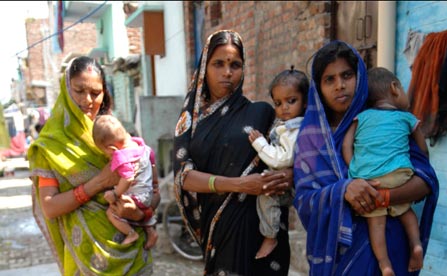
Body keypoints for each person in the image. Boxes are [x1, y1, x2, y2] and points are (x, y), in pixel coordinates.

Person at [293, 41, 439, 275]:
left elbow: (424, 179)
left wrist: (382, 197)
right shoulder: (311, 139)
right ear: (318, 88)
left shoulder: (385, 123)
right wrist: (343, 191)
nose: (339, 86)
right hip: (341, 259)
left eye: (347, 75)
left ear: (359, 76)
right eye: (329, 80)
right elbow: (304, 200)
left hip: (392, 249)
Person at [173, 30, 293, 275]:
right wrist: (238, 185)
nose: (227, 73)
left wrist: (289, 176)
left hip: (257, 227)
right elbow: (183, 177)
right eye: (218, 64)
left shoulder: (261, 113)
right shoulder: (191, 122)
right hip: (217, 227)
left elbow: (288, 157)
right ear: (205, 67)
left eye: (235, 65)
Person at [27, 56, 158, 275]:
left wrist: (138, 213)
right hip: (86, 259)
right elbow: (50, 207)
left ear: (104, 93)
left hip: (134, 254)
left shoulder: (115, 134)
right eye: (79, 90)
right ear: (66, 89)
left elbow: (152, 189)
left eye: (95, 93)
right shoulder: (51, 146)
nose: (87, 100)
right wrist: (98, 183)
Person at [342, 67, 429, 275]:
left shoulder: (361, 117)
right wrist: (422, 161)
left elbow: (347, 145)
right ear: (394, 88)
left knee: (376, 224)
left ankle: (384, 264)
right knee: (406, 212)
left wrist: (354, 170)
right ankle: (416, 245)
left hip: (370, 179)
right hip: (400, 174)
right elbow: (423, 148)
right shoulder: (407, 117)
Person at [248, 66, 308, 259]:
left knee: (267, 196)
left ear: (305, 101)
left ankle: (270, 236)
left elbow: (282, 159)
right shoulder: (286, 126)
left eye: (291, 101)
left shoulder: (295, 130)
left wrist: (260, 144)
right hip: (286, 180)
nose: (284, 108)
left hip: (289, 184)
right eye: (278, 103)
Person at [92, 114, 158, 249]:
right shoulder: (144, 148)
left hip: (136, 198)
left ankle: (131, 233)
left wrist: (115, 193)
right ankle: (151, 232)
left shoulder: (121, 156)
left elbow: (128, 178)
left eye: (106, 153)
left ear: (111, 149)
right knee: (141, 210)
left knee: (111, 213)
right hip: (148, 195)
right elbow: (153, 169)